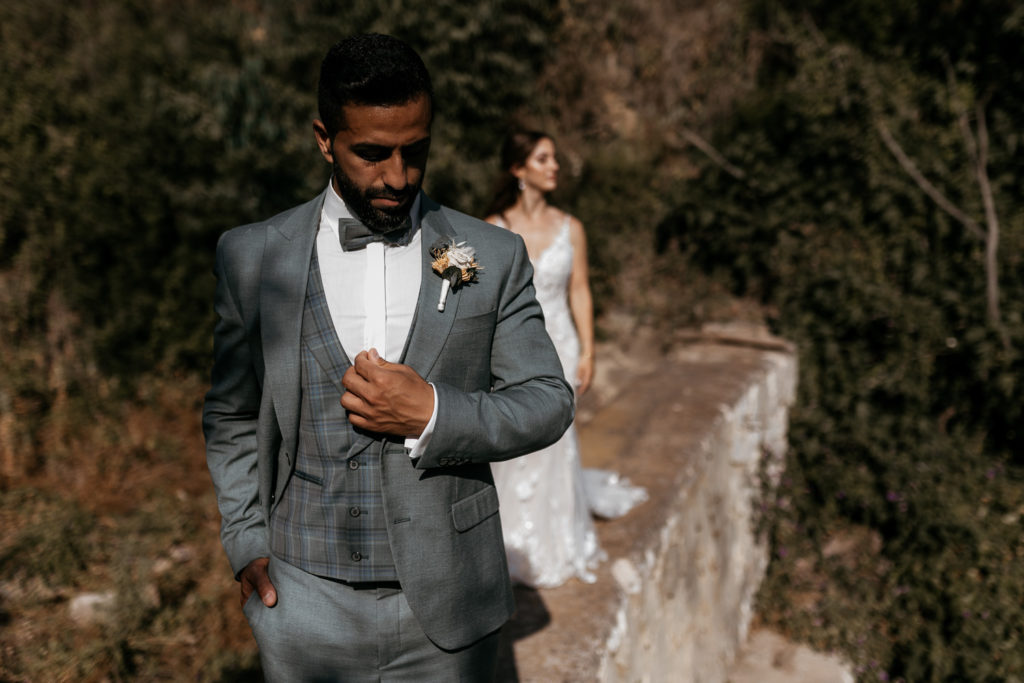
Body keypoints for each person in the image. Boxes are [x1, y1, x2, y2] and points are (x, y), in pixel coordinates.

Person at [202, 35, 574, 681]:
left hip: (449, 608)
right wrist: (245, 539)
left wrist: (433, 410)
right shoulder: (252, 257)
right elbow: (231, 413)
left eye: (415, 152)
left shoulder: (493, 253)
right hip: (301, 606)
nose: (397, 176)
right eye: (372, 154)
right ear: (325, 139)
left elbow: (548, 399)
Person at [485, 130, 647, 588]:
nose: (554, 166)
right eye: (543, 158)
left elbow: (579, 289)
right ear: (519, 169)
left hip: (561, 344)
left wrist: (590, 350)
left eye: (554, 157)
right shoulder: (492, 228)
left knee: (557, 441)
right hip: (511, 350)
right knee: (512, 443)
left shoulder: (571, 227)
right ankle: (507, 540)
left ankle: (555, 541)